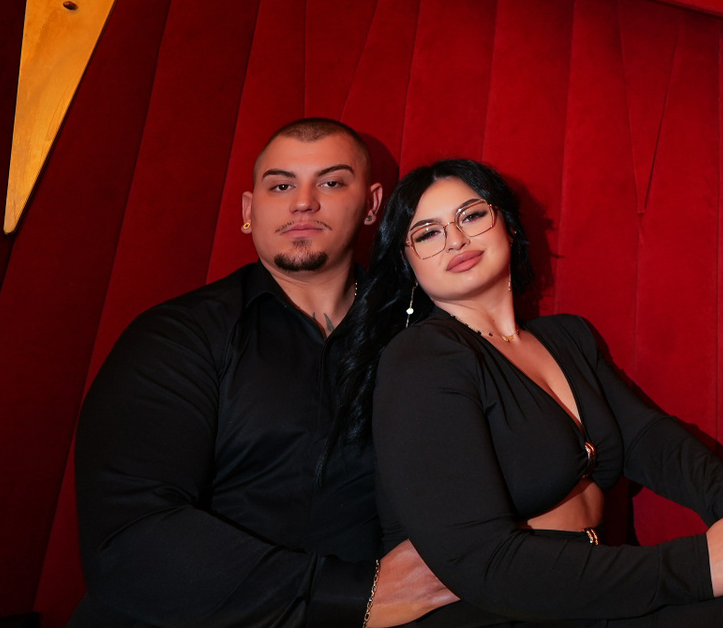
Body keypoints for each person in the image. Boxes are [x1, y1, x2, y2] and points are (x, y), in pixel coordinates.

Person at [331, 159, 723, 628]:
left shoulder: (567, 338)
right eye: (428, 233)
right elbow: (483, 563)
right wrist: (703, 564)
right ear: (408, 266)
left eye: (472, 215)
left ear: (506, 222)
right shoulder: (422, 359)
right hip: (501, 608)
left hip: (594, 586)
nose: (456, 239)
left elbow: (651, 440)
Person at [72, 118, 459, 628]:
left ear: (372, 205)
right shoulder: (177, 337)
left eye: (331, 182)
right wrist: (356, 595)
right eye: (280, 186)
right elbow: (129, 538)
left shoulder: (424, 336)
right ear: (248, 211)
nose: (303, 202)